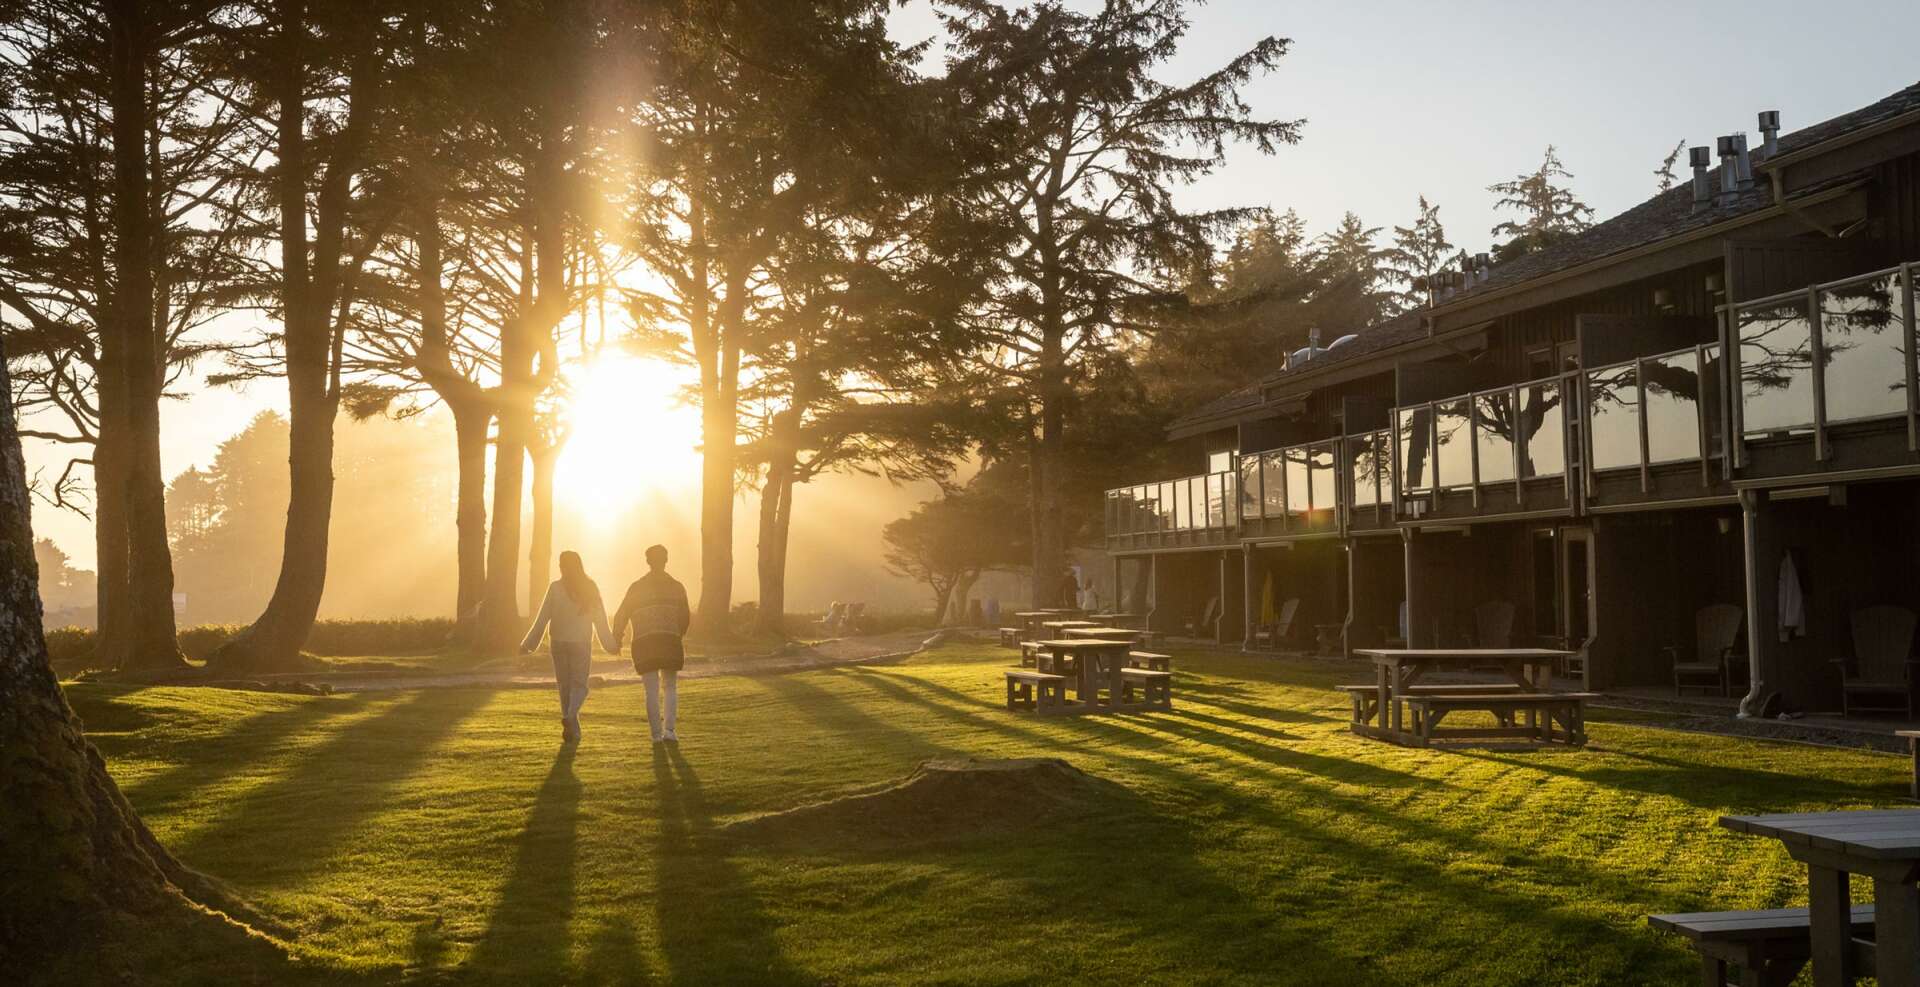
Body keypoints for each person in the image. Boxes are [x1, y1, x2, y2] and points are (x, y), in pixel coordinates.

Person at [520, 550, 616, 743]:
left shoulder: (555, 588)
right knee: (579, 685)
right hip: (580, 643)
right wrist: (611, 645)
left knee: (564, 686)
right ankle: (571, 719)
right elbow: (600, 621)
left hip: (559, 643)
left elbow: (542, 618)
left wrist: (528, 644)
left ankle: (572, 730)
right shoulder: (590, 587)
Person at [610, 544, 691, 744]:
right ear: (666, 560)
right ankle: (670, 731)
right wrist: (677, 634)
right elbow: (685, 617)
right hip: (670, 640)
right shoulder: (677, 586)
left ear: (647, 561)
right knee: (670, 686)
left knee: (651, 689)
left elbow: (622, 614)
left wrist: (617, 638)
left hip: (644, 642)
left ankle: (656, 735)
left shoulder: (637, 587)